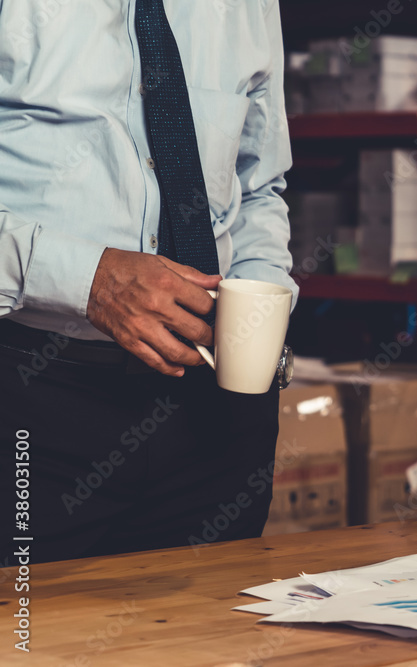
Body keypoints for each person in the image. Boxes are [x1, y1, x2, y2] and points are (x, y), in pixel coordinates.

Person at [0, 3, 295, 562]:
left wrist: (260, 309)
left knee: (202, 639)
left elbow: (260, 184)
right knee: (27, 640)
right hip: (30, 399)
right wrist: (87, 279)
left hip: (218, 415)